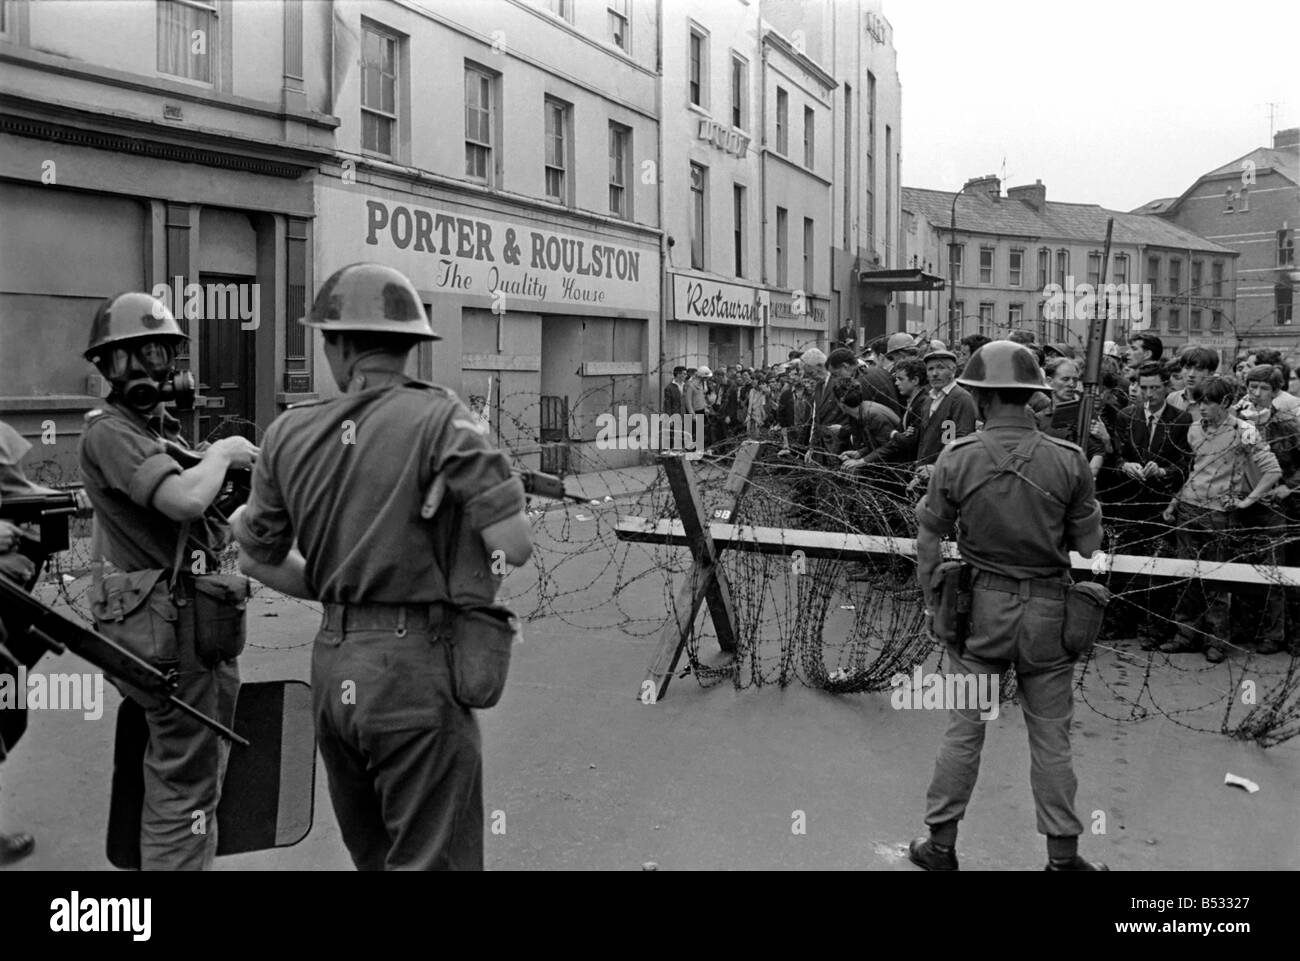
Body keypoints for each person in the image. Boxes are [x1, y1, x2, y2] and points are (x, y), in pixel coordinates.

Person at [232, 263, 532, 870]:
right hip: (414, 675)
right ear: (413, 346)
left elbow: (256, 557)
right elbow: (515, 545)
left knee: (373, 857)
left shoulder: (288, 432)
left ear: (338, 345)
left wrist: (347, 587)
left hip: (334, 667)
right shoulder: (443, 421)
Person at [907, 340, 1107, 872]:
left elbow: (929, 536)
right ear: (1032, 396)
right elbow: (1089, 548)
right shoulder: (1067, 460)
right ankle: (1064, 857)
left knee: (964, 729)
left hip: (978, 613)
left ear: (982, 395)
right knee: (1051, 738)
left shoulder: (958, 456)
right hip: (1047, 614)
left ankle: (941, 847)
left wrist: (933, 600)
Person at [77, 292, 256, 870]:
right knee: (186, 788)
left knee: (193, 777)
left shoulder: (157, 434)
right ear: (108, 366)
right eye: (140, 352)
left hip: (191, 626)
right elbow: (182, 502)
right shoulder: (111, 433)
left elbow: (211, 528)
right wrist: (225, 453)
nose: (157, 366)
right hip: (173, 633)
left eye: (163, 351)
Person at [1161, 375, 1281, 662]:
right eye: (1199, 401)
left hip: (1219, 515)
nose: (1201, 408)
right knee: (1186, 575)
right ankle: (1184, 634)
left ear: (1226, 402)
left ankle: (1216, 641)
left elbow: (1273, 470)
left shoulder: (1245, 430)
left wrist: (1247, 501)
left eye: (1208, 402)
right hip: (1188, 509)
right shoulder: (1194, 430)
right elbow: (1195, 469)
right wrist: (1175, 500)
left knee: (1216, 581)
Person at [1109, 362, 1193, 649]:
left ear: (1166, 387)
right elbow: (1116, 457)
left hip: (1160, 503)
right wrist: (1126, 465)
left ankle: (1154, 627)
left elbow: (1186, 464)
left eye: (1154, 388)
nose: (1148, 394)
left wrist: (1164, 472)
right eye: (1143, 388)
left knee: (1157, 568)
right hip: (1130, 501)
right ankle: (1122, 622)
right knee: (1123, 563)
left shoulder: (1181, 420)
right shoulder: (1126, 416)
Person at [663, 366, 686, 451]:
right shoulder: (669, 388)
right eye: (684, 374)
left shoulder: (686, 385)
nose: (685, 376)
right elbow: (667, 405)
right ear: (678, 374)